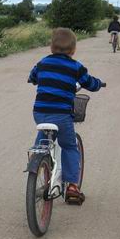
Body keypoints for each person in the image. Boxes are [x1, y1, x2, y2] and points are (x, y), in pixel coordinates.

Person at [28, 28, 104, 205]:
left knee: (45, 132)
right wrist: (98, 84)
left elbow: (33, 77)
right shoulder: (75, 67)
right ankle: (72, 187)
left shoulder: (42, 63)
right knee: (69, 146)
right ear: (73, 50)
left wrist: (36, 79)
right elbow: (90, 83)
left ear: (51, 47)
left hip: (40, 112)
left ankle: (36, 156)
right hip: (61, 114)